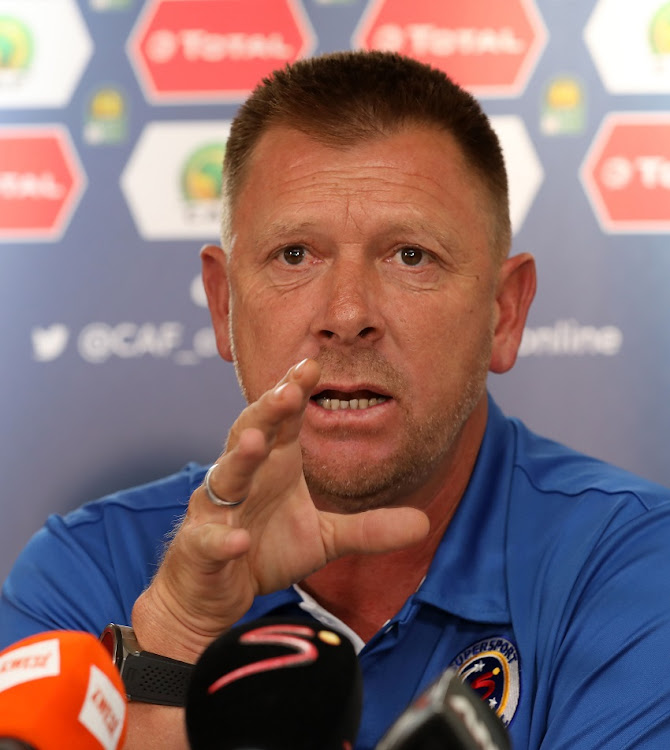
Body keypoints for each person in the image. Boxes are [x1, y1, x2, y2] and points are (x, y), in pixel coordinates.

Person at [3, 50, 670, 750]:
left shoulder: (634, 567)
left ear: (504, 313)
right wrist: (171, 643)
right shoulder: (85, 571)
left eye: (410, 255)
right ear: (224, 302)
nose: (347, 314)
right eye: (296, 255)